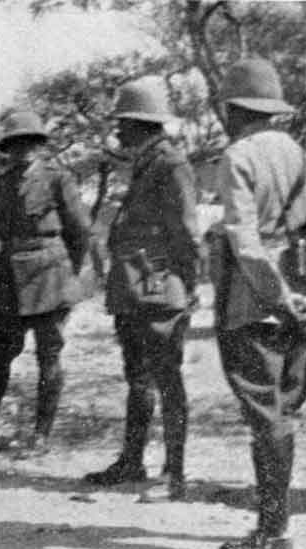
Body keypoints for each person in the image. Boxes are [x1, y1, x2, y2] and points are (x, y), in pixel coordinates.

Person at [206, 58, 306, 549]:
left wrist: (277, 299)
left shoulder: (238, 156)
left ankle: (272, 530)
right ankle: (274, 521)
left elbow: (245, 241)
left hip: (255, 304)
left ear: (233, 109)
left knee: (267, 415)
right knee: (284, 410)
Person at [82, 78, 202, 502]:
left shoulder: (171, 164)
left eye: (123, 124)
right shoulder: (146, 163)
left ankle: (177, 474)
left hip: (158, 288)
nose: (117, 132)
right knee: (138, 378)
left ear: (141, 124)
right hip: (135, 289)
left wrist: (187, 283)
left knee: (166, 380)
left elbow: (186, 233)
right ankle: (132, 461)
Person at [0, 110, 90, 455]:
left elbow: (80, 232)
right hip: (9, 276)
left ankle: (40, 435)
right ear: (8, 147)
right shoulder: (0, 183)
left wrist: (66, 275)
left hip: (49, 273)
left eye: (30, 142)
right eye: (16, 143)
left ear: (40, 145)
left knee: (49, 355)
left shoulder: (58, 179)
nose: (23, 150)